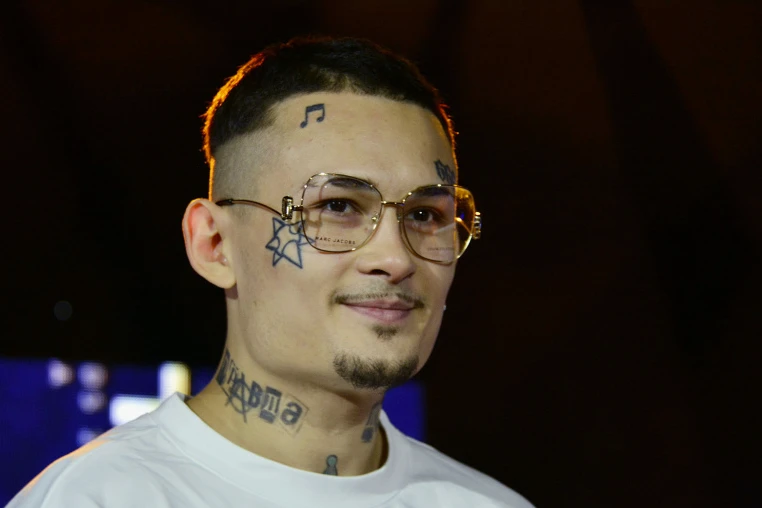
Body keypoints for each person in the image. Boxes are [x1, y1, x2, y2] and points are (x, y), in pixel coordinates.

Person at [9, 36, 533, 508]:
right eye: (338, 206)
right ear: (214, 245)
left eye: (425, 215)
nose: (396, 259)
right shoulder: (96, 498)